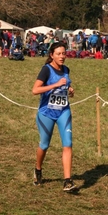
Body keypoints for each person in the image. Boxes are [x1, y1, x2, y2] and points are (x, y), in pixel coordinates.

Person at [32, 42, 76, 192]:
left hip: (63, 111)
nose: (62, 56)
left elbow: (64, 85)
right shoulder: (46, 70)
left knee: (68, 144)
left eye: (64, 53)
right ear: (52, 55)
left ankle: (67, 181)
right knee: (44, 145)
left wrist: (69, 89)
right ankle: (38, 169)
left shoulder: (66, 70)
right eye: (58, 54)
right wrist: (55, 85)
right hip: (46, 113)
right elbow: (35, 90)